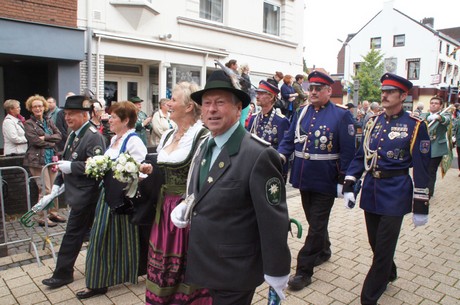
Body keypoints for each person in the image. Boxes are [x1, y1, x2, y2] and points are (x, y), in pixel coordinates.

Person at [170, 70, 291, 305]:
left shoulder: (259, 154)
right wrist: (188, 203)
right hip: (208, 261)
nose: (212, 110)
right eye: (206, 103)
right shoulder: (207, 144)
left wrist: (277, 269)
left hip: (235, 270)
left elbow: (273, 219)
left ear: (238, 109)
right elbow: (204, 188)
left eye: (220, 103)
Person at [343, 73, 430, 305]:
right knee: (375, 243)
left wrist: (421, 204)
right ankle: (389, 272)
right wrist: (350, 182)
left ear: (403, 96)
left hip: (395, 191)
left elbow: (422, 167)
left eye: (391, 91)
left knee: (382, 249)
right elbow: (361, 155)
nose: (384, 95)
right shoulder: (373, 121)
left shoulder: (415, 125)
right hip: (371, 189)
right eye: (383, 91)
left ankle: (369, 298)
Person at [277, 71, 356, 290]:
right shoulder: (302, 112)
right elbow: (289, 138)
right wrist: (282, 155)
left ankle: (304, 271)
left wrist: (345, 180)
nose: (312, 92)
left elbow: (348, 151)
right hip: (303, 177)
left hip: (326, 179)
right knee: (315, 220)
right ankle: (324, 249)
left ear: (329, 91)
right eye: (311, 88)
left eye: (318, 89)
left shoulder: (341, 115)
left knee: (316, 224)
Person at [143, 82, 211, 305]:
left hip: (187, 211)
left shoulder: (202, 137)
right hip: (164, 209)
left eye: (173, 99)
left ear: (190, 106)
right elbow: (164, 171)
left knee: (185, 261)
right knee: (162, 259)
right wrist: (149, 170)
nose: (168, 103)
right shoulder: (167, 135)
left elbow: (206, 180)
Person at [77, 101, 147, 299]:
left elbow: (141, 171)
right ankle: (98, 281)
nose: (109, 120)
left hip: (121, 198)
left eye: (114, 117)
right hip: (107, 195)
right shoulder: (115, 139)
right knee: (103, 238)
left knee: (110, 239)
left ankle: (100, 281)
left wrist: (125, 173)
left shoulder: (133, 141)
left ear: (125, 120)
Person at [42, 95, 106, 289]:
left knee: (73, 234)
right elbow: (65, 162)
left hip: (88, 195)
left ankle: (63, 273)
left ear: (85, 115)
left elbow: (99, 167)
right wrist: (57, 185)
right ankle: (94, 269)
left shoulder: (93, 136)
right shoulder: (74, 134)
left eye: (72, 114)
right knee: (83, 235)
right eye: (66, 114)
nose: (67, 118)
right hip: (77, 193)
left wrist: (73, 167)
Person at [23, 95, 64, 227]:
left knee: (54, 188)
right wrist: (50, 142)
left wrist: (45, 137)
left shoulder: (49, 121)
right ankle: (42, 216)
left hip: (51, 158)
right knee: (45, 189)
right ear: (31, 108)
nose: (37, 108)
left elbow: (59, 136)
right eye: (34, 106)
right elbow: (35, 141)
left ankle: (53, 212)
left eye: (40, 106)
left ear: (44, 107)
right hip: (37, 161)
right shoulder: (28, 124)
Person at [247, 80, 290, 180]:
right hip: (254, 167)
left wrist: (282, 173)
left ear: (271, 97)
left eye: (261, 94)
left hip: (271, 169)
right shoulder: (254, 118)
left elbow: (284, 148)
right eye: (257, 93)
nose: (257, 96)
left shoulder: (281, 121)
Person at [420, 96, 452, 197]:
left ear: (441, 106)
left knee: (431, 170)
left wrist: (438, 117)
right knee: (423, 169)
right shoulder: (425, 115)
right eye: (432, 103)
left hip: (437, 148)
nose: (433, 104)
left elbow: (446, 120)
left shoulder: (445, 114)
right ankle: (422, 188)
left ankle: (429, 192)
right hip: (424, 147)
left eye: (436, 103)